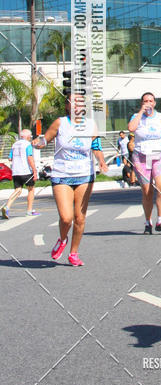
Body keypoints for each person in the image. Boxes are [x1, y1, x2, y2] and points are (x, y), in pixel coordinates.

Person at [35, 96, 107, 266]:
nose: (77, 105)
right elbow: (46, 139)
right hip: (62, 174)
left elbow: (96, 146)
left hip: (85, 175)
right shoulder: (60, 123)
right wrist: (39, 142)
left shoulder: (91, 125)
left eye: (81, 102)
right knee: (66, 218)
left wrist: (101, 161)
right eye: (73, 102)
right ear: (67, 106)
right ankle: (62, 239)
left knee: (80, 218)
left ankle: (74, 253)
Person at [128, 92, 161, 234]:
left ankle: (160, 221)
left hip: (159, 156)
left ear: (155, 103)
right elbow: (131, 128)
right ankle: (147, 222)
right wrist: (140, 113)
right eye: (145, 101)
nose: (148, 103)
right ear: (142, 103)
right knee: (147, 192)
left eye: (151, 101)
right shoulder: (136, 117)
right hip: (141, 157)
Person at [1, 129, 39, 219]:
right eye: (29, 136)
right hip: (26, 171)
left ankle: (7, 207)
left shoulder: (14, 145)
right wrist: (34, 170)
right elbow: (29, 158)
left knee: (18, 190)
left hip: (15, 171)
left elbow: (10, 158)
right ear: (28, 136)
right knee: (31, 189)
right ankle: (29, 211)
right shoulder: (27, 145)